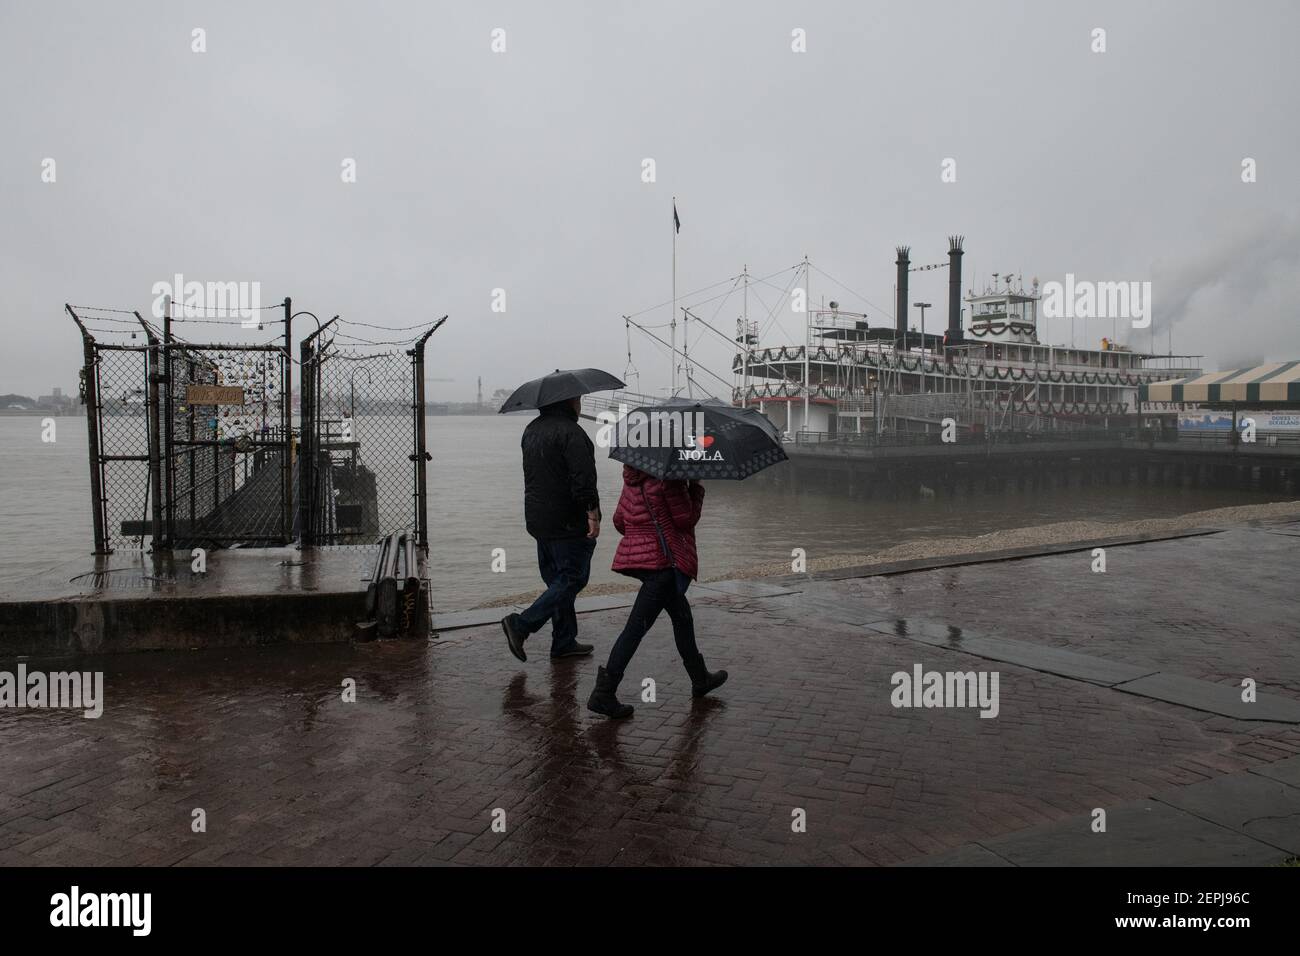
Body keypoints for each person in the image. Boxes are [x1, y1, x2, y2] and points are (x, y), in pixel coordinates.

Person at [586, 465, 727, 718]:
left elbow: (620, 520)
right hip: (663, 563)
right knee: (635, 629)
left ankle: (699, 678)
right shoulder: (669, 479)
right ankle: (603, 693)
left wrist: (645, 531)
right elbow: (686, 519)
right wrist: (695, 486)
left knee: (682, 617)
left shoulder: (632, 476)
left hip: (643, 561)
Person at [501, 396, 600, 662]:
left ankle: (564, 641)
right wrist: (592, 512)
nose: (580, 405)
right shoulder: (572, 433)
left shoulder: (531, 430)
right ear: (568, 402)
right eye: (577, 400)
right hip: (567, 520)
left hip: (538, 519)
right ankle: (521, 624)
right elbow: (583, 478)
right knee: (573, 578)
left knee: (557, 580)